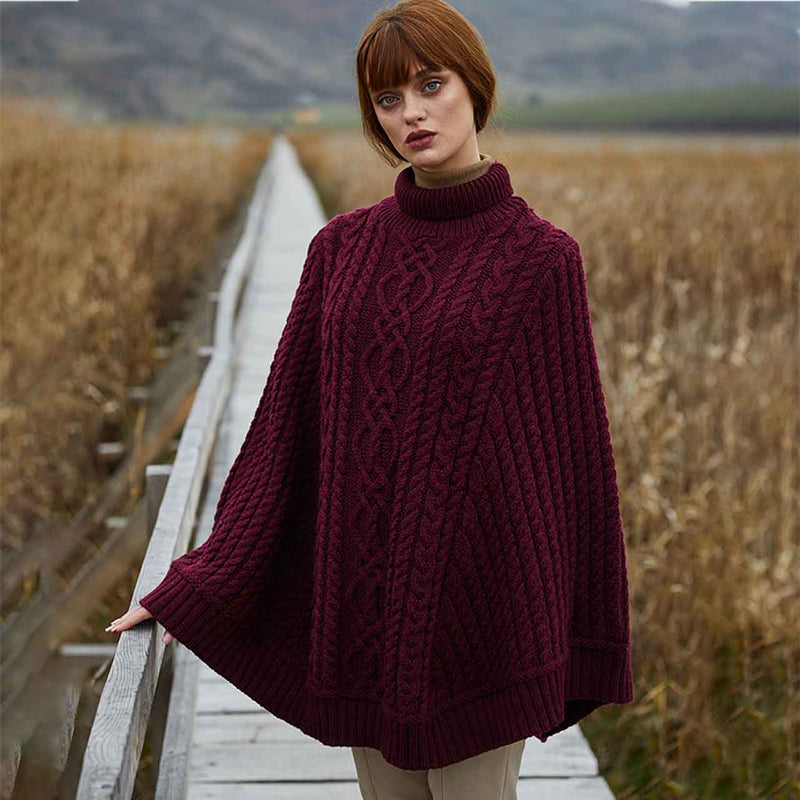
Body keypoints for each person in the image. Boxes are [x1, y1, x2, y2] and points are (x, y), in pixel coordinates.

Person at [106, 1, 634, 797]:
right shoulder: (341, 251)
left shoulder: (542, 260)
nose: (411, 113)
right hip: (365, 621)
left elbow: (571, 466)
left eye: (431, 85)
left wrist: (577, 637)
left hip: (480, 634)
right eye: (388, 98)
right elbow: (282, 435)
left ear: (475, 86)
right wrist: (197, 587)